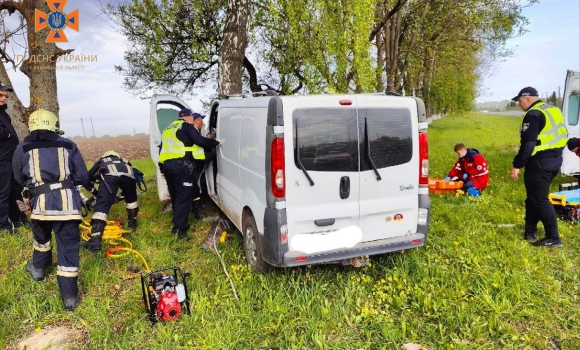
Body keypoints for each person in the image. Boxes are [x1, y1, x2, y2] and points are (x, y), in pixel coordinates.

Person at [12, 109, 89, 310]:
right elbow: (83, 177)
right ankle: (69, 298)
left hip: (39, 206)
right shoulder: (68, 144)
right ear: (54, 125)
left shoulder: (23, 147)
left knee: (42, 240)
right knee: (68, 248)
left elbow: (19, 177)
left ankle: (38, 269)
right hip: (67, 207)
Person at [509, 87, 568, 247]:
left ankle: (554, 238)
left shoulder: (533, 114)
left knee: (540, 199)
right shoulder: (552, 110)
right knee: (534, 197)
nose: (518, 104)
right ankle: (530, 230)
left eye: (519, 101)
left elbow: (528, 143)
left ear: (528, 98)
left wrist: (517, 165)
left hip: (540, 161)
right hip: (555, 159)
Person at [158, 108, 220, 239]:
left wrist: (162, 169)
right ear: (190, 117)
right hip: (182, 167)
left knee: (175, 195)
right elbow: (200, 141)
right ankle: (179, 231)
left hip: (168, 167)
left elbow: (162, 150)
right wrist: (217, 142)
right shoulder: (186, 126)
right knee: (184, 197)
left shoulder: (168, 129)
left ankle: (177, 221)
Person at [81, 150, 139, 252]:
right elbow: (127, 180)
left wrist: (97, 194)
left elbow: (87, 181)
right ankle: (132, 225)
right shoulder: (125, 161)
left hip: (110, 178)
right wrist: (120, 197)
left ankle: (94, 242)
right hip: (129, 177)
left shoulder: (102, 161)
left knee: (101, 208)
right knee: (132, 202)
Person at [0, 82, 29, 234]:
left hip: (11, 159)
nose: (4, 98)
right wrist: (6, 134)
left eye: (5, 96)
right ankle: (3, 226)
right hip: (1, 160)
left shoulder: (3, 113)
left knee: (15, 191)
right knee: (3, 194)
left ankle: (19, 220)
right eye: (1, 95)